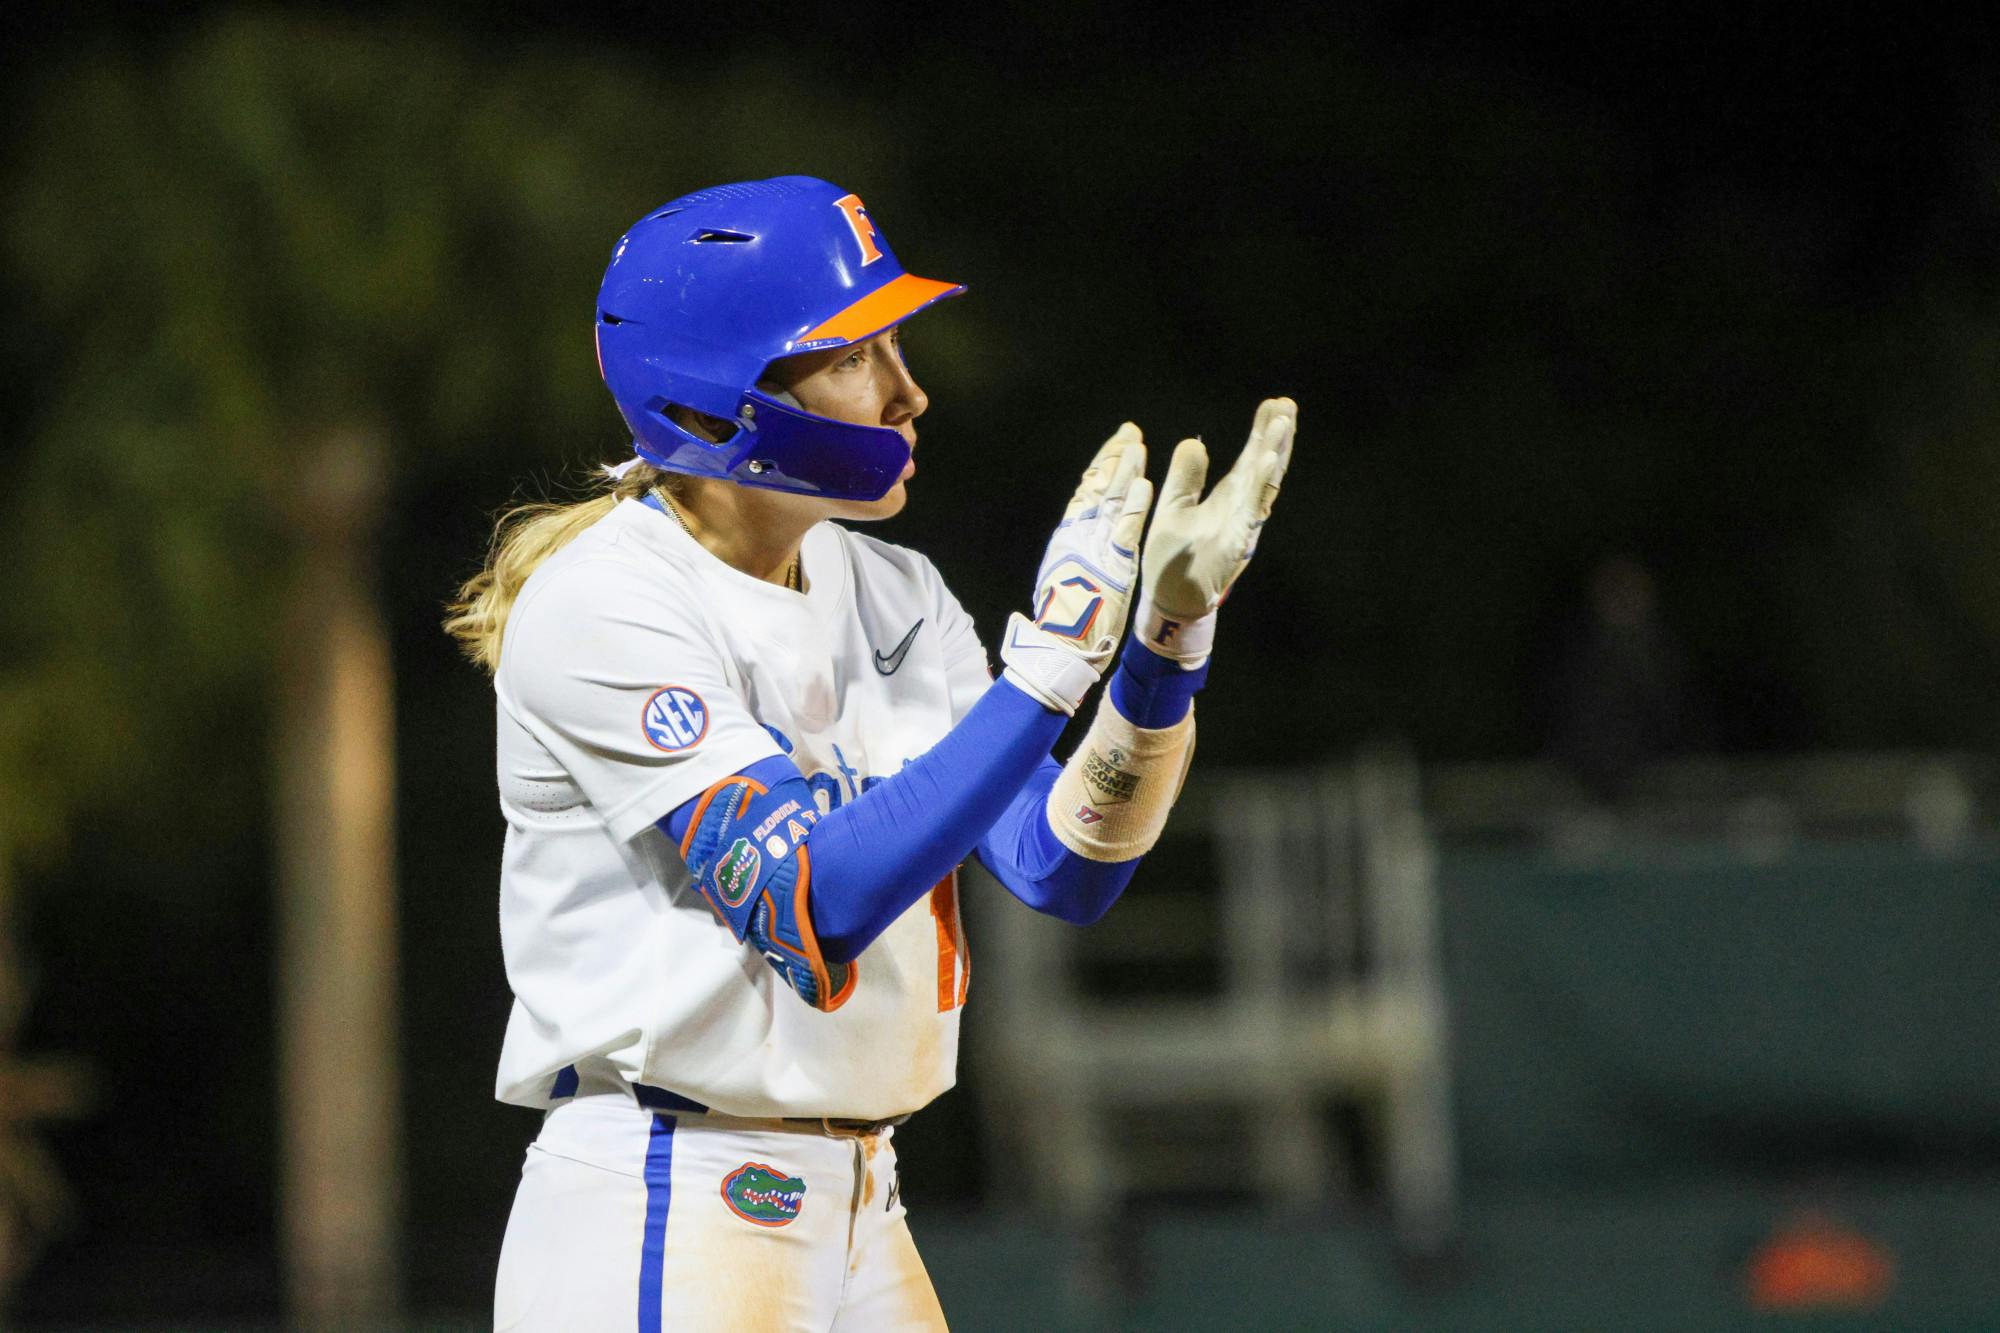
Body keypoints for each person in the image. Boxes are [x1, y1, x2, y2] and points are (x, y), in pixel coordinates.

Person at [444, 175, 1296, 1330]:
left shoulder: (889, 585)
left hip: (858, 1198)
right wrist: (1045, 670)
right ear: (718, 392)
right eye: (855, 355)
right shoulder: (602, 601)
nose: (908, 392)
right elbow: (808, 895)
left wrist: (1159, 647)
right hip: (664, 1192)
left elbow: (1063, 866)